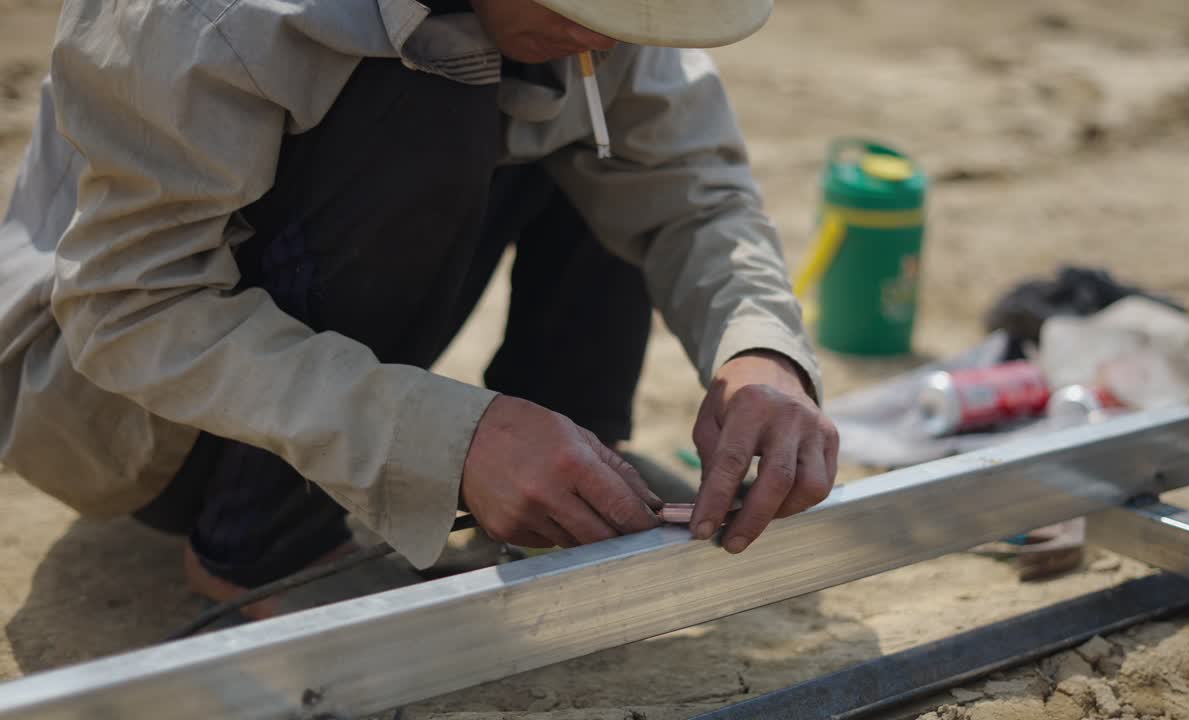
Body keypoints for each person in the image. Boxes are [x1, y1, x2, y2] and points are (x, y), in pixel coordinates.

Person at [0, 0, 839, 614]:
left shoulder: (597, 20)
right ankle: (265, 543)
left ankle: (577, 473)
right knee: (434, 92)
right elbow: (129, 308)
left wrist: (760, 356)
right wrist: (442, 439)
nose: (601, 31)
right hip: (139, 412)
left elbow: (692, 192)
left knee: (591, 109)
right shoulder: (207, 15)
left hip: (319, 294)